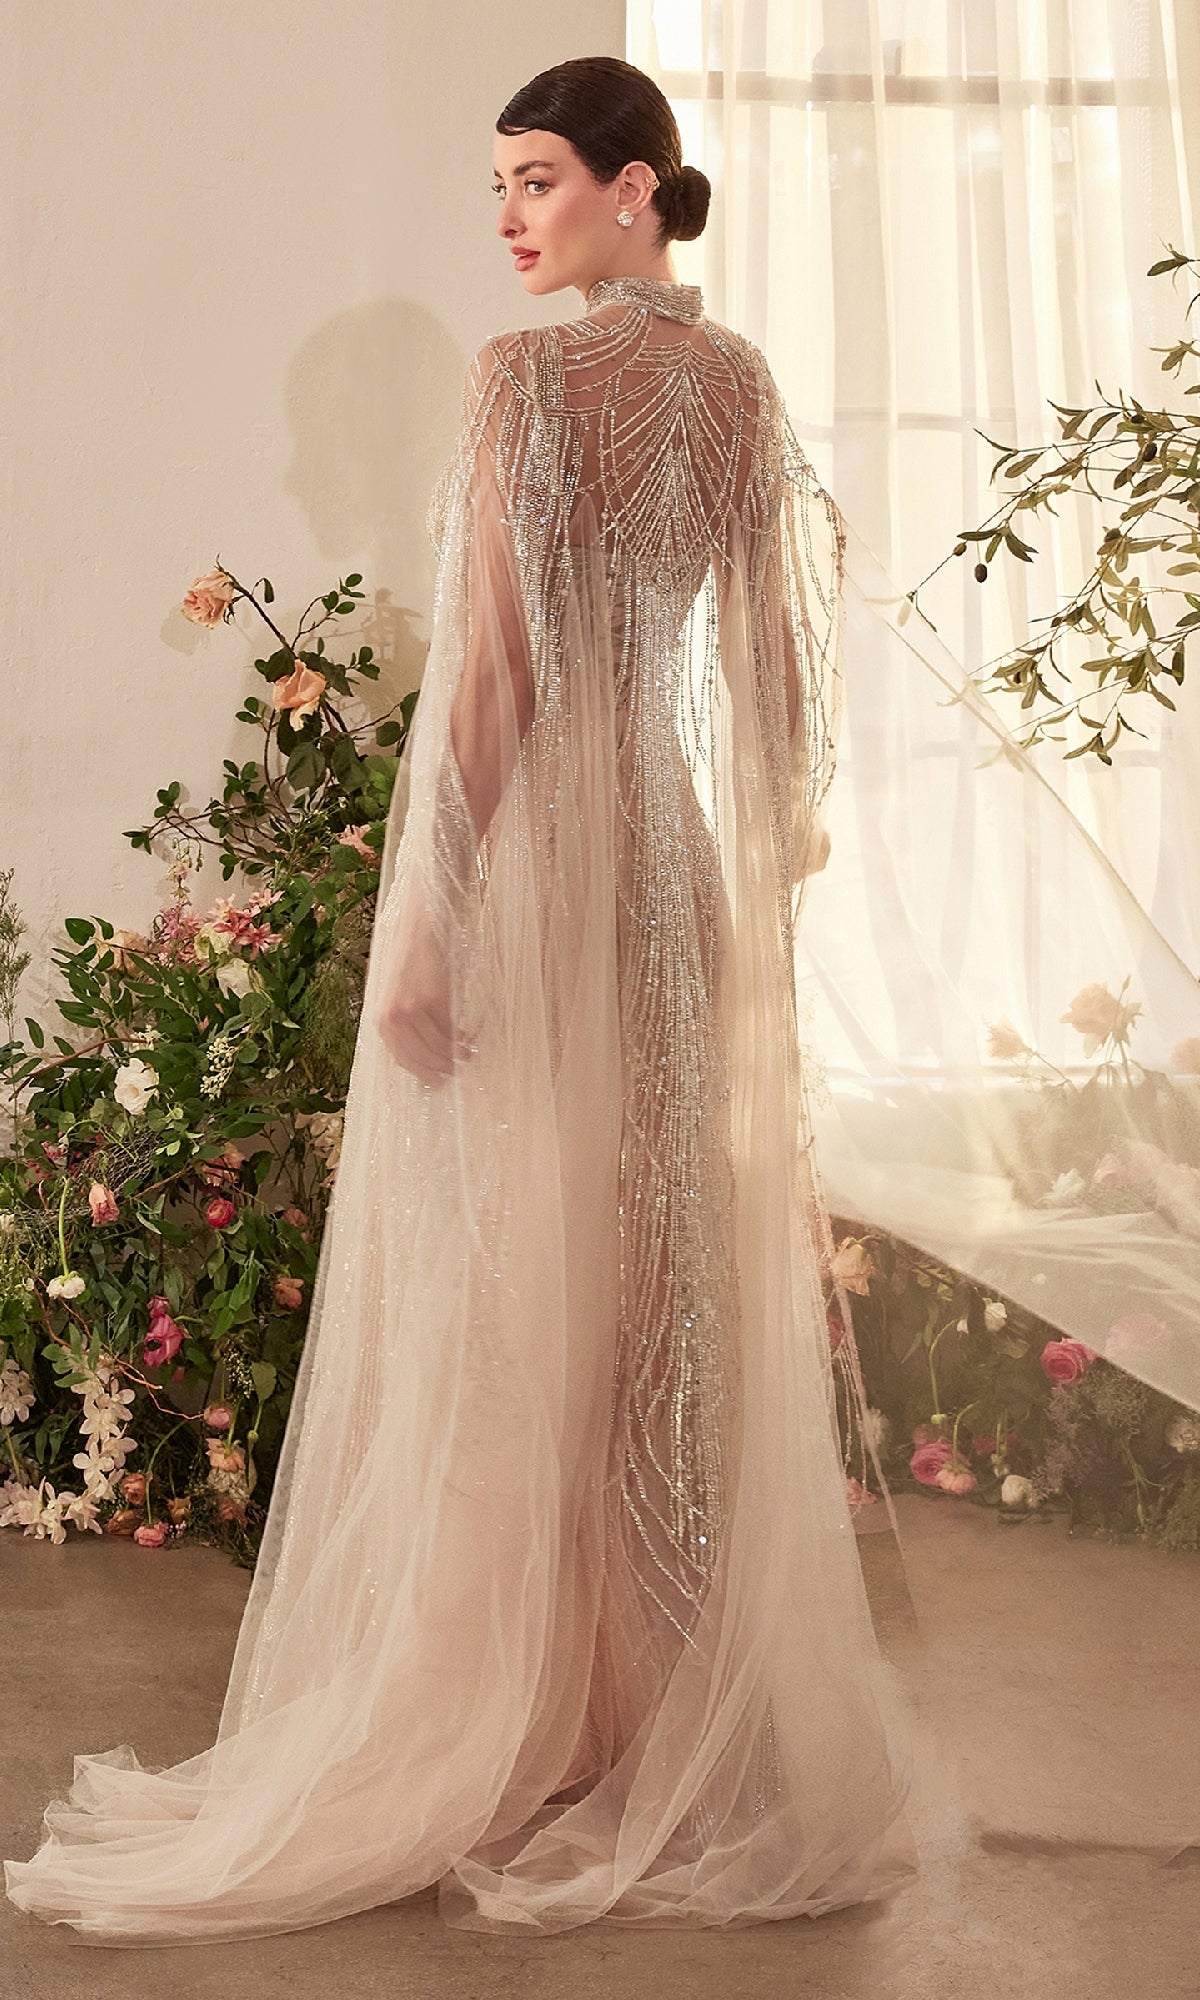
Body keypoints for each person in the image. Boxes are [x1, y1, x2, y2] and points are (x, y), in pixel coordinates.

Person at [3, 54, 921, 1943]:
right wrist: (770, 854)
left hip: (539, 866)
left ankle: (518, 1722)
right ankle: (653, 1735)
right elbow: (772, 665)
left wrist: (430, 914)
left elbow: (495, 673)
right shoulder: (736, 387)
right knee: (656, 1287)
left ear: (642, 189)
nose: (511, 220)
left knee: (521, 1291)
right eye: (497, 187)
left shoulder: (531, 381)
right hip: (667, 869)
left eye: (538, 181)